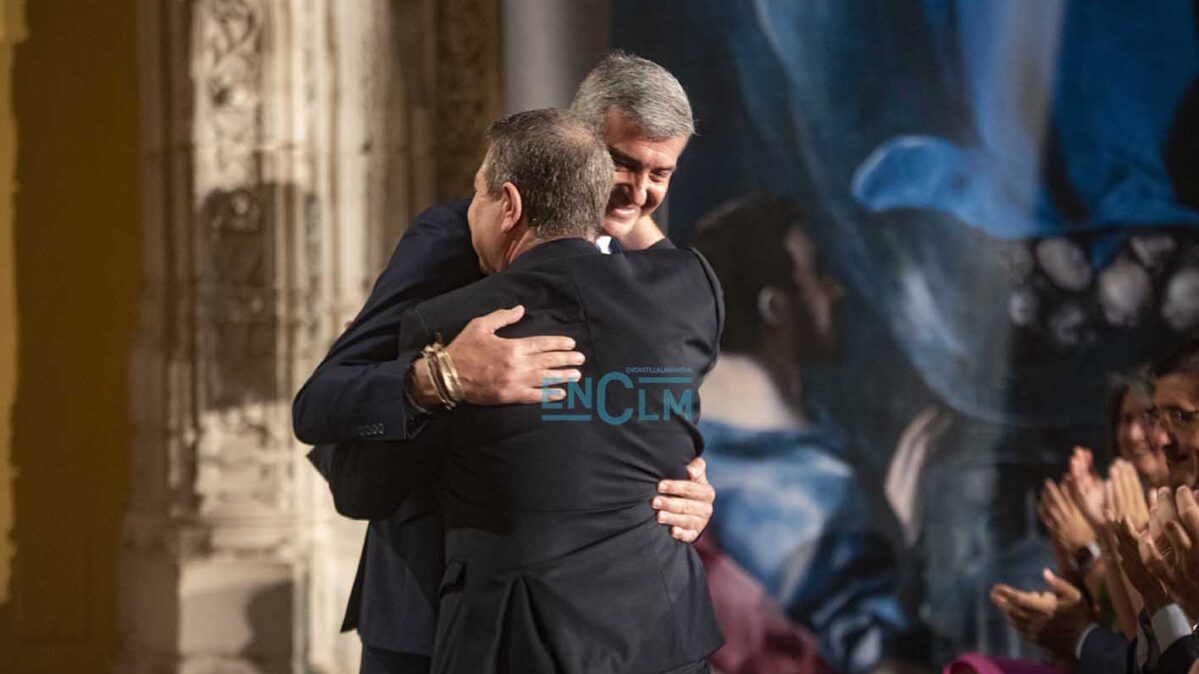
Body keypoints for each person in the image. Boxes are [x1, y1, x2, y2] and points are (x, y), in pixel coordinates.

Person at [294, 53, 717, 673]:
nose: (638, 191)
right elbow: (328, 396)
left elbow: (655, 414)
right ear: (575, 140)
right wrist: (439, 377)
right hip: (429, 600)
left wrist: (695, 486)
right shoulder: (458, 235)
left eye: (661, 173)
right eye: (623, 162)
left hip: (606, 627)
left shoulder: (663, 281)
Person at [689, 195, 919, 674]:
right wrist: (902, 546)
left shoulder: (670, 439)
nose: (835, 290)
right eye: (817, 274)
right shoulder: (821, 494)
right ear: (776, 308)